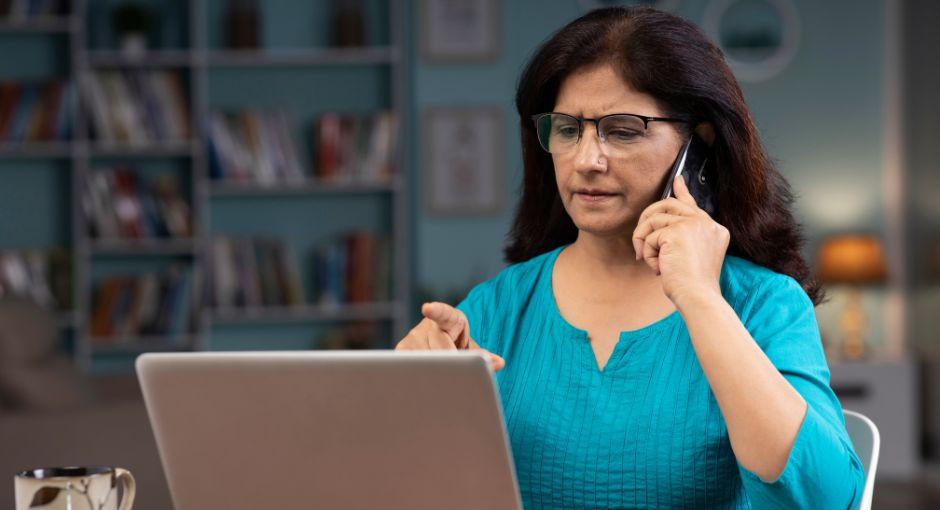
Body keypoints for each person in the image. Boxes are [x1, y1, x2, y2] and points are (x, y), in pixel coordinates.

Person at [396, 6, 864, 509]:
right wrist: (410, 401)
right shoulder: (493, 310)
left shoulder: (764, 305)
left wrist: (700, 298)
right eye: (568, 129)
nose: (586, 160)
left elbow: (827, 499)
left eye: (622, 129)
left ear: (697, 143)